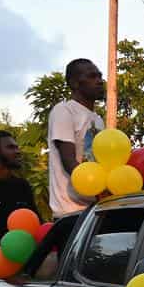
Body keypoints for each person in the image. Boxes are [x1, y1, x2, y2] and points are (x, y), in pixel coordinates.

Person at [46, 58, 105, 218]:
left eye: (100, 76)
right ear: (74, 83)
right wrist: (98, 187)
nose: (100, 81)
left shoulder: (98, 120)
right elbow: (68, 161)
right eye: (92, 76)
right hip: (69, 211)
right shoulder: (64, 111)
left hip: (94, 210)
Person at [0, 131, 39, 229]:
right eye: (10, 147)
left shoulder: (22, 186)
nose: (18, 151)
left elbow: (36, 224)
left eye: (17, 147)